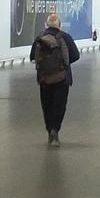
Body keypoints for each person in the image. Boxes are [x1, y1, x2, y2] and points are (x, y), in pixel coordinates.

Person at [29, 11, 79, 146]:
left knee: (47, 105)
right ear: (59, 25)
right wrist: (63, 64)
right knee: (59, 105)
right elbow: (75, 55)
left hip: (44, 78)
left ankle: (49, 128)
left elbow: (32, 56)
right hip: (62, 79)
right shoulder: (65, 37)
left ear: (46, 25)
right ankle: (55, 129)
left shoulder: (40, 37)